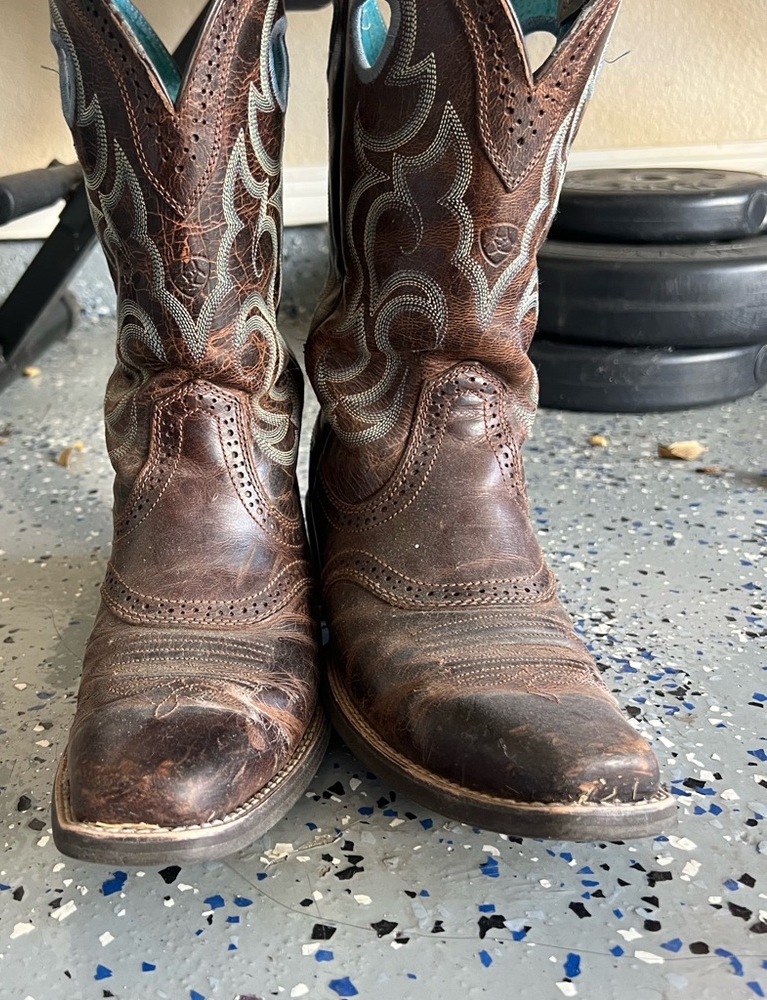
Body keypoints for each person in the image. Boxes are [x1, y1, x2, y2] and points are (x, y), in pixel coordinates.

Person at [45, 0, 674, 865]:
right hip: (194, 524)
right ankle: (230, 490)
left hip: (436, 502)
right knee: (186, 349)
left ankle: (383, 504)